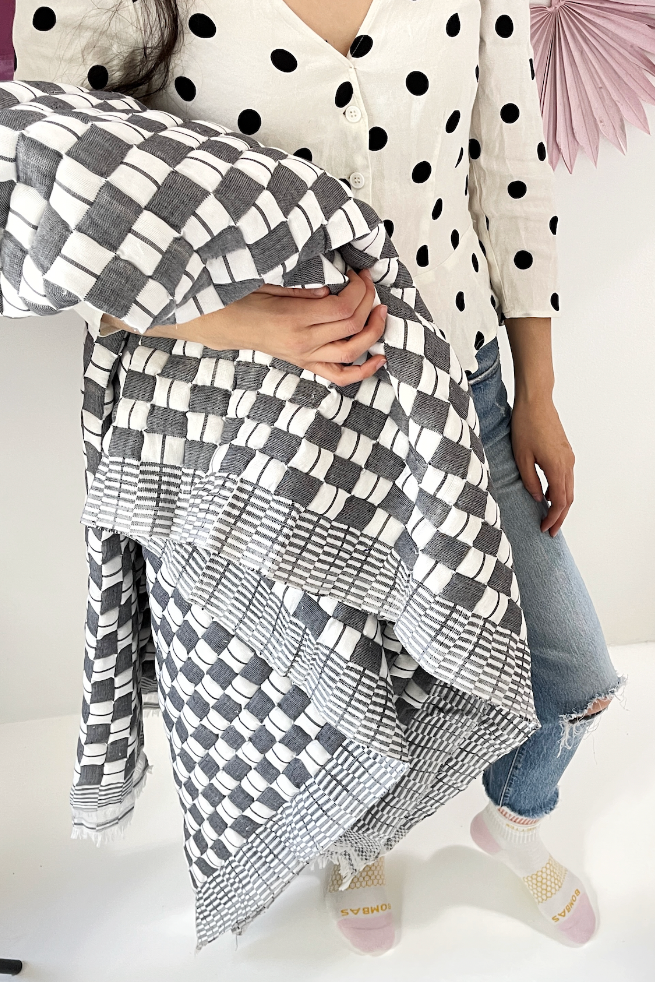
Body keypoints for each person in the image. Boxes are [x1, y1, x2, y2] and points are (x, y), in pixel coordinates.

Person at [14, 0, 623, 955]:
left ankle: (513, 818)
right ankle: (356, 845)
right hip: (270, 420)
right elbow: (49, 213)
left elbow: (509, 174)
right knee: (342, 689)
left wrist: (535, 389)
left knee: (573, 672)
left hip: (456, 387)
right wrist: (247, 322)